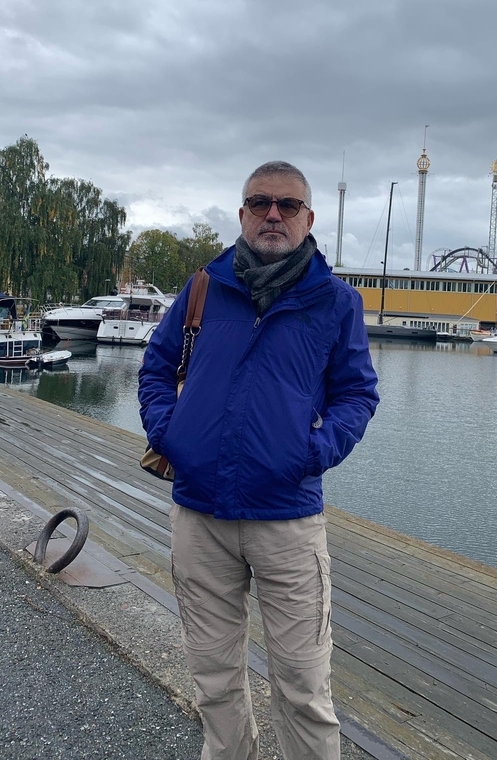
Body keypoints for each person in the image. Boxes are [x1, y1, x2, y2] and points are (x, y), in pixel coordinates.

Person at [138, 161, 379, 760]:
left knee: (302, 686)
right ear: (242, 213)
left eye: (288, 205)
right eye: (260, 202)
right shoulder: (203, 287)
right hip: (200, 512)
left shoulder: (335, 302)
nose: (274, 214)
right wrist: (172, 436)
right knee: (214, 679)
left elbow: (357, 393)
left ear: (308, 218)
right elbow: (156, 370)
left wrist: (313, 452)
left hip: (288, 518)